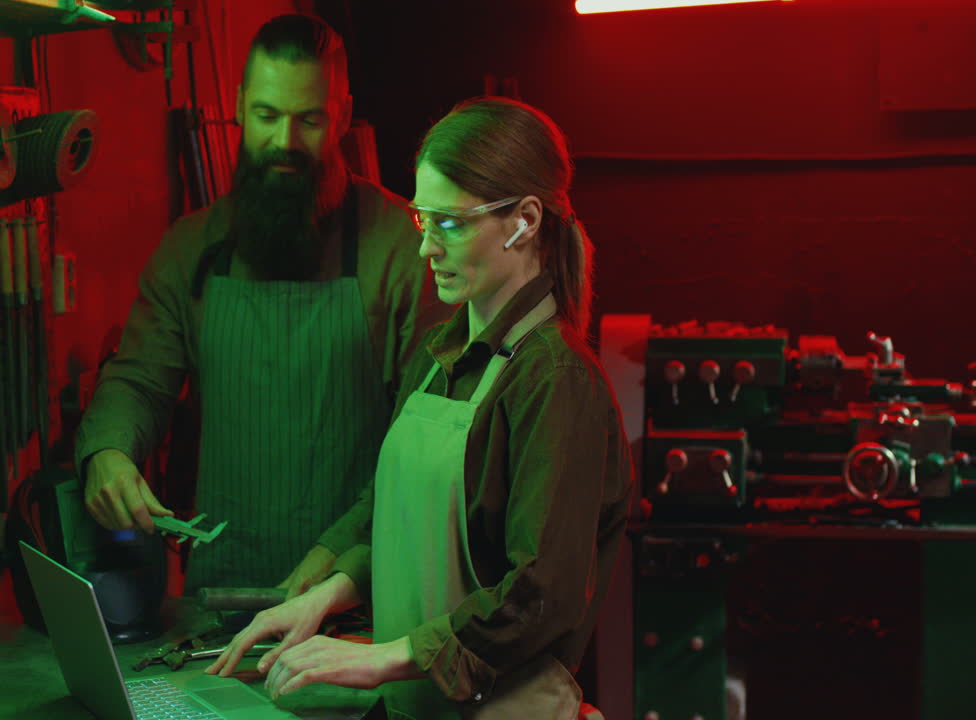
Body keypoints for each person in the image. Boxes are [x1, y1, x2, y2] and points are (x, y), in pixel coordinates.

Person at [207, 97, 634, 720]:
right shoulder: (441, 361)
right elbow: (406, 525)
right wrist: (327, 594)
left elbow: (541, 595)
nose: (425, 248)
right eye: (421, 221)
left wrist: (383, 656)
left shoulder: (555, 381)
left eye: (450, 224)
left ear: (525, 221)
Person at [74, 14, 438, 594]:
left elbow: (427, 447)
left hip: (356, 607)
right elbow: (140, 378)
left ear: (341, 114)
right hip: (221, 603)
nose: (284, 144)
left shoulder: (404, 251)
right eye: (267, 116)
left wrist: (340, 556)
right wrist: (110, 450)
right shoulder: (191, 248)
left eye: (309, 120)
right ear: (240, 106)